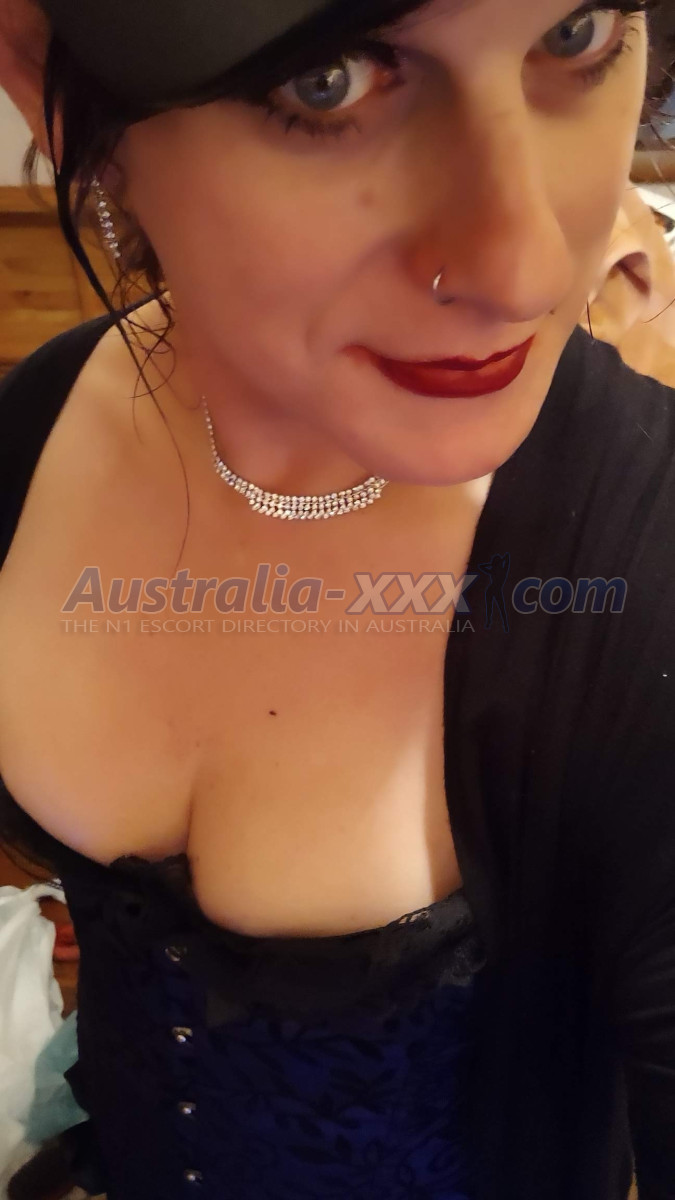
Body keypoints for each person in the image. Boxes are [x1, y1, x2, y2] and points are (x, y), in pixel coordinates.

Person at [0, 1, 674, 1197]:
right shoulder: (35, 425)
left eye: (574, 33)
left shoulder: (643, 564)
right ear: (41, 70)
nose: (525, 265)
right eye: (327, 79)